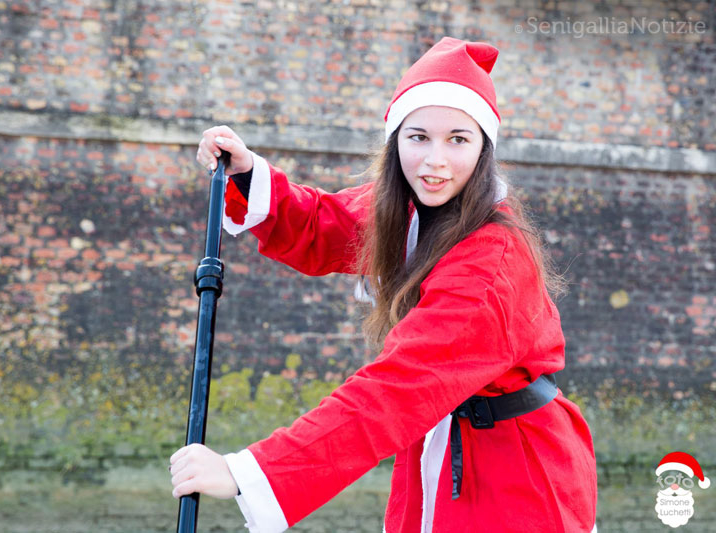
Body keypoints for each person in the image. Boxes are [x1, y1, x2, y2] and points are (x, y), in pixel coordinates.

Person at [170, 37, 598, 532]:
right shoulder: (408, 211)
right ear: (396, 142)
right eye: (418, 137)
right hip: (440, 449)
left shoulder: (492, 261)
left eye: (458, 140)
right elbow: (320, 223)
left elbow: (397, 387)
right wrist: (246, 176)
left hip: (515, 475)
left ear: (484, 150)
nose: (435, 161)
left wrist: (249, 472)